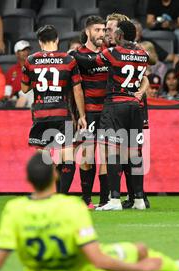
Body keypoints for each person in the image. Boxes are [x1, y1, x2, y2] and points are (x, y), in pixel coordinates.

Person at [0, 152, 179, 271]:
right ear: (56, 176)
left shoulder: (13, 209)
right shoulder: (71, 208)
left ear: (28, 181)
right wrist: (138, 267)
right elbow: (97, 259)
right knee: (139, 249)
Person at [70, 21, 150, 211]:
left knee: (112, 152)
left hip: (116, 106)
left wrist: (72, 54)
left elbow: (90, 61)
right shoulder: (143, 54)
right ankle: (138, 199)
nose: (111, 35)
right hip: (135, 107)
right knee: (134, 154)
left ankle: (114, 199)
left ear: (121, 34)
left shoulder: (113, 53)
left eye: (115, 32)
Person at [20, 25, 87, 194]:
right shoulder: (68, 60)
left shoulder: (31, 60)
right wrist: (82, 115)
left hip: (40, 114)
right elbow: (77, 90)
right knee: (68, 156)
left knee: (43, 157)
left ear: (40, 42)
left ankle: (44, 193)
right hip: (62, 113)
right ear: (57, 40)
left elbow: (24, 89)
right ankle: (61, 195)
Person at [70, 16, 110, 209]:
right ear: (87, 32)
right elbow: (73, 88)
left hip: (108, 112)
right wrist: (77, 115)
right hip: (88, 112)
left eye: (103, 30)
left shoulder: (110, 54)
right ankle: (86, 199)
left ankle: (104, 200)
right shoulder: (77, 55)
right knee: (86, 155)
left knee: (106, 155)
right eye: (97, 30)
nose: (101, 34)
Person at [4, 40, 33, 108]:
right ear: (17, 53)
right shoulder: (12, 70)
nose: (26, 53)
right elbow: (8, 87)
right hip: (15, 98)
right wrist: (7, 96)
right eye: (23, 50)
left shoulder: (36, 68)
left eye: (28, 50)